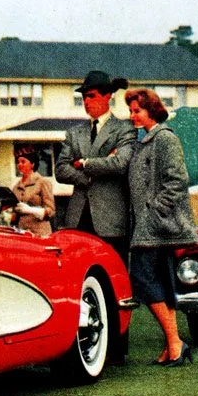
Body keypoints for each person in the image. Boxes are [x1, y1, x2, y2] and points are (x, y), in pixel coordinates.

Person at [125, 88, 198, 366]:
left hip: (157, 225)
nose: (132, 116)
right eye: (131, 111)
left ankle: (175, 343)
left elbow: (178, 181)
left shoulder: (165, 139)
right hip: (149, 227)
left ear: (152, 110)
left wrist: (154, 210)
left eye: (137, 111)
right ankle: (174, 345)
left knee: (143, 280)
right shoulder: (143, 140)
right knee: (162, 285)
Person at [55, 69, 136, 261]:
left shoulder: (125, 129)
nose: (86, 102)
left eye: (91, 96)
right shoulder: (74, 133)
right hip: (77, 220)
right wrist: (91, 174)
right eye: (84, 97)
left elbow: (120, 163)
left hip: (111, 221)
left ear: (108, 96)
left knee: (114, 278)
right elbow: (60, 170)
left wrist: (83, 163)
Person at [11, 147, 56, 236]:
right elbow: (14, 215)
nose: (19, 164)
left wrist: (30, 210)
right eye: (18, 162)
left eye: (23, 162)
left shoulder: (42, 182)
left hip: (40, 232)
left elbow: (51, 211)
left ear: (32, 164)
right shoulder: (16, 187)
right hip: (22, 233)